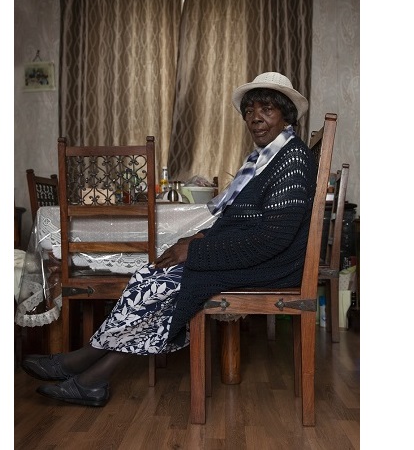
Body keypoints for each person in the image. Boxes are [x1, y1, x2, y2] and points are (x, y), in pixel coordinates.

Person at [21, 72, 316, 407]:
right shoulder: (266, 159)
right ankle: (91, 372)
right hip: (262, 255)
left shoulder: (291, 159)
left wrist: (197, 248)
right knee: (155, 274)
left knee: (168, 281)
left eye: (266, 109)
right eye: (249, 110)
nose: (255, 118)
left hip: (275, 264)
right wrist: (200, 237)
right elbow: (245, 221)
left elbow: (273, 239)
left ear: (286, 114)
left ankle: (85, 366)